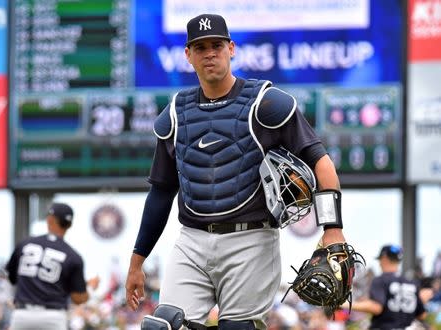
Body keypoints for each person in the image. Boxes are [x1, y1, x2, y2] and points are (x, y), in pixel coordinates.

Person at [125, 13, 346, 330]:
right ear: (188, 55)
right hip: (192, 240)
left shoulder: (266, 103)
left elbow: (320, 162)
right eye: (200, 47)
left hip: (251, 239)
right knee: (162, 326)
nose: (209, 53)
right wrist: (137, 261)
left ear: (232, 48)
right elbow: (160, 191)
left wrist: (332, 229)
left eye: (216, 45)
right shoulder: (175, 114)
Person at [5, 202, 99, 330]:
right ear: (70, 225)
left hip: (22, 314)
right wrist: (90, 288)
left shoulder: (25, 244)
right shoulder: (73, 256)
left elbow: (11, 279)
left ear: (49, 219)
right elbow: (78, 298)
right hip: (53, 317)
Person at [344, 245, 426, 330]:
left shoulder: (381, 280)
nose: (379, 263)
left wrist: (345, 304)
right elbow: (422, 315)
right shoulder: (412, 283)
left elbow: (377, 308)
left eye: (380, 260)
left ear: (384, 258)